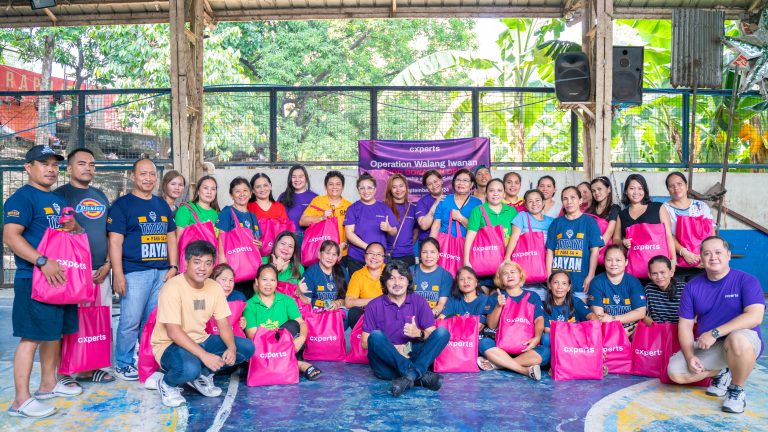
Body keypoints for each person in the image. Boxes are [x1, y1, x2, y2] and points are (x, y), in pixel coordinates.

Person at [4, 145, 82, 418]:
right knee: (31, 337)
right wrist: (40, 261)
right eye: (43, 163)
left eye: (54, 164)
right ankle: (20, 400)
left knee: (54, 333)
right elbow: (12, 236)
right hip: (34, 277)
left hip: (60, 279)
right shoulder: (22, 198)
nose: (51, 169)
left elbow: (70, 235)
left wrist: (76, 227)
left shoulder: (59, 201)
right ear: (28, 167)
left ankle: (48, 384)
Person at [151, 240, 255, 407]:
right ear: (186, 263)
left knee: (247, 348)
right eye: (197, 262)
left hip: (201, 339)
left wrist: (231, 348)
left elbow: (223, 324)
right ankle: (167, 384)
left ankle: (201, 376)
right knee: (189, 369)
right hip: (169, 345)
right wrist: (204, 356)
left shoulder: (214, 287)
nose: (202, 268)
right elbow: (173, 332)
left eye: (208, 263)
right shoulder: (172, 288)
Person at [667, 236, 765, 414]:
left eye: (718, 252)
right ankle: (722, 371)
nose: (713, 257)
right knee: (675, 372)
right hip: (711, 346)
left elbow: (755, 317)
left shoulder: (747, 281)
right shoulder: (692, 286)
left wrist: (714, 333)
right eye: (707, 254)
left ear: (728, 255)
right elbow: (685, 326)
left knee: (737, 339)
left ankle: (736, 390)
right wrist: (690, 357)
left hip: (744, 342)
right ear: (701, 259)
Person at [108, 158, 179, 381]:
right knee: (130, 320)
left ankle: (147, 360)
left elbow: (171, 237)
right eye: (143, 174)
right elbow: (115, 242)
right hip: (134, 272)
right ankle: (123, 363)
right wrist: (118, 274)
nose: (148, 178)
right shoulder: (122, 205)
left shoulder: (161, 204)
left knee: (153, 322)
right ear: (133, 177)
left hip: (161, 273)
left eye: (151, 174)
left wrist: (174, 266)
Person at [54, 148, 115, 383]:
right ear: (69, 168)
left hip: (100, 271)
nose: (87, 168)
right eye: (81, 163)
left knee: (98, 321)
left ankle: (92, 368)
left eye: (91, 164)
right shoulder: (59, 196)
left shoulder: (100, 195)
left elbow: (110, 234)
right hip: (71, 272)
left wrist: (108, 263)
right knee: (68, 322)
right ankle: (64, 372)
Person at [362, 261, 450, 397]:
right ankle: (417, 374)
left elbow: (432, 334)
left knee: (442, 333)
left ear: (408, 281)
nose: (397, 282)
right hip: (386, 365)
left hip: (410, 354)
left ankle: (408, 376)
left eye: (401, 278)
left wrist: (419, 333)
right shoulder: (374, 305)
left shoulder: (419, 301)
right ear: (385, 282)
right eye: (391, 278)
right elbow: (365, 342)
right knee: (376, 336)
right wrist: (393, 348)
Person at [243, 264, 322, 381]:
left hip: (287, 343)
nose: (268, 284)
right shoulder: (249, 305)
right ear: (257, 281)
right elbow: (253, 336)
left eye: (272, 280)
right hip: (263, 349)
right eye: (264, 279)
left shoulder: (287, 300)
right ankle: (298, 364)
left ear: (277, 282)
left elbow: (301, 323)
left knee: (292, 325)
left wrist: (301, 339)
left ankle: (278, 364)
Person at [477, 261, 546, 380]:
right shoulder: (495, 297)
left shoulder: (533, 296)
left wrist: (537, 338)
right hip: (502, 347)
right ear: (500, 279)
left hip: (526, 348)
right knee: (483, 344)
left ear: (520, 275)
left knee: (546, 352)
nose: (509, 275)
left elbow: (539, 320)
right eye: (505, 273)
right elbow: (492, 326)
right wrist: (499, 306)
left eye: (513, 272)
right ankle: (523, 370)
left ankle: (498, 365)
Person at [546, 186, 603, 298]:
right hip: (558, 284)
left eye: (573, 198)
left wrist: (591, 275)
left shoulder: (589, 222)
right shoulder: (556, 223)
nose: (569, 202)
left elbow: (595, 252)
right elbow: (550, 252)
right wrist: (549, 276)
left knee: (582, 314)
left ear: (580, 201)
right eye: (565, 199)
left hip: (581, 281)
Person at [613, 173, 676, 271]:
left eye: (640, 188)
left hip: (659, 267)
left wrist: (673, 259)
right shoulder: (622, 215)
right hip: (635, 266)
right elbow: (615, 240)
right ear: (626, 191)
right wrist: (623, 242)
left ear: (645, 191)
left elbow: (668, 235)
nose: (636, 192)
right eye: (632, 188)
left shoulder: (658, 207)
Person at [216, 177, 262, 299]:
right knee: (235, 300)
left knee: (250, 302)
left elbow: (255, 239)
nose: (242, 194)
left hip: (250, 268)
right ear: (231, 195)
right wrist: (222, 260)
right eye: (237, 191)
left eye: (245, 190)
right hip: (234, 267)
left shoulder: (253, 216)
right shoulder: (227, 212)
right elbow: (221, 237)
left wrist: (259, 245)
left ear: (251, 193)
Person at [344, 173, 397, 275]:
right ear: (358, 190)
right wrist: (369, 248)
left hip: (379, 259)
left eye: (369, 188)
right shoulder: (352, 209)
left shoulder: (383, 208)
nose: (366, 191)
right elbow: (349, 234)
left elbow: (394, 231)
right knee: (357, 288)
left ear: (375, 189)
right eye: (362, 188)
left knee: (379, 289)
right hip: (357, 258)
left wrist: (389, 228)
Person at [587, 245, 647, 336]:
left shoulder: (634, 282)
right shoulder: (597, 282)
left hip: (631, 329)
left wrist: (613, 318)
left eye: (618, 260)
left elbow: (640, 313)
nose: (613, 264)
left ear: (626, 262)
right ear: (604, 261)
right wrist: (617, 332)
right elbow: (599, 315)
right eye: (609, 260)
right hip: (606, 329)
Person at [663, 171, 714, 275]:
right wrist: (684, 252)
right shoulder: (664, 209)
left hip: (703, 259)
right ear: (668, 190)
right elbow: (667, 235)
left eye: (679, 184)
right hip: (679, 260)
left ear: (686, 186)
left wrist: (706, 254)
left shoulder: (701, 206)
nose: (676, 188)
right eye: (671, 186)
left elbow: (711, 231)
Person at [464, 178, 517, 267]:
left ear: (504, 193)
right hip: (485, 261)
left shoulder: (512, 211)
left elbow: (516, 237)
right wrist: (466, 261)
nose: (496, 193)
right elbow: (469, 238)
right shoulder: (477, 211)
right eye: (491, 190)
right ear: (486, 193)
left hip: (507, 263)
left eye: (499, 190)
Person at [300, 171, 352, 258]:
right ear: (325, 187)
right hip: (320, 252)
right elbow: (302, 221)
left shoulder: (349, 206)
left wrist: (343, 245)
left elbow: (351, 230)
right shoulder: (318, 201)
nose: (334, 187)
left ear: (342, 187)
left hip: (342, 252)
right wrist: (321, 217)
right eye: (331, 184)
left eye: (338, 184)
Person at [541, 271, 598, 350]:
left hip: (576, 338)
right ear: (550, 285)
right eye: (556, 283)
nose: (559, 287)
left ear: (569, 288)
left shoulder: (575, 301)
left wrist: (594, 340)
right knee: (546, 339)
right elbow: (547, 330)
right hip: (560, 339)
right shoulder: (544, 306)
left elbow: (593, 317)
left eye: (564, 283)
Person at [298, 240, 349, 314]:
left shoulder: (343, 272)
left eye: (334, 254)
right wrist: (299, 293)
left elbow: (349, 300)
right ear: (319, 254)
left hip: (338, 312)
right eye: (327, 253)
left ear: (337, 257)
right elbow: (307, 301)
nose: (330, 257)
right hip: (317, 313)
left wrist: (338, 303)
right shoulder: (310, 272)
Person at [430, 168, 482, 238]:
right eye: (458, 180)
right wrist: (431, 247)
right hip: (445, 245)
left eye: (465, 180)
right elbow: (436, 226)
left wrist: (460, 218)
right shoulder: (444, 200)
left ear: (471, 184)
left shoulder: (477, 203)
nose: (461, 183)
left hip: (468, 245)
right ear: (454, 182)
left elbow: (478, 229)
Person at [345, 242, 386, 329]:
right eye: (371, 253)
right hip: (367, 314)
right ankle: (364, 340)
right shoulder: (358, 275)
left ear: (383, 258)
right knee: (354, 312)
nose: (374, 257)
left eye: (379, 254)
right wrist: (375, 300)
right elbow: (349, 302)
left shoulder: (391, 272)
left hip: (388, 313)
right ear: (365, 256)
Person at [410, 238, 453, 317]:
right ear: (420, 255)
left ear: (438, 255)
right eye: (424, 252)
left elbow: (441, 304)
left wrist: (428, 316)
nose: (428, 256)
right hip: (411, 316)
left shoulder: (445, 275)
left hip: (432, 318)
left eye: (432, 252)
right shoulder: (410, 271)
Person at [278, 165, 318, 244]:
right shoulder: (283, 196)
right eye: (294, 177)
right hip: (289, 240)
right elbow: (278, 221)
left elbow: (319, 222)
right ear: (290, 179)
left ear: (306, 178)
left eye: (300, 176)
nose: (297, 180)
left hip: (309, 240)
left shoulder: (315, 198)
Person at [384, 174, 416, 266]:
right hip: (388, 255)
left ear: (406, 187)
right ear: (390, 189)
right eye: (394, 187)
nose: (398, 190)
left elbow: (416, 230)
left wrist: (407, 244)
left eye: (401, 186)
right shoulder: (383, 207)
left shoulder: (413, 208)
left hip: (408, 256)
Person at [643, 255, 684, 325]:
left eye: (662, 272)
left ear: (671, 272)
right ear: (649, 275)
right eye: (654, 273)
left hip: (680, 329)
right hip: (656, 329)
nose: (659, 277)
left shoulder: (684, 288)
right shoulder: (648, 289)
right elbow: (644, 315)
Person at [586, 176, 621, 248]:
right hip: (588, 248)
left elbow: (609, 233)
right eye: (593, 191)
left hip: (605, 251)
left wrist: (595, 252)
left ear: (608, 189)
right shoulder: (589, 211)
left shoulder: (614, 208)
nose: (596, 193)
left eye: (599, 189)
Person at [414, 170, 445, 246]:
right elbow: (424, 226)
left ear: (441, 181)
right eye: (429, 184)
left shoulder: (451, 199)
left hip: (447, 244)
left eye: (435, 181)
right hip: (427, 247)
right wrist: (436, 203)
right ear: (426, 187)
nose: (434, 185)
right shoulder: (422, 202)